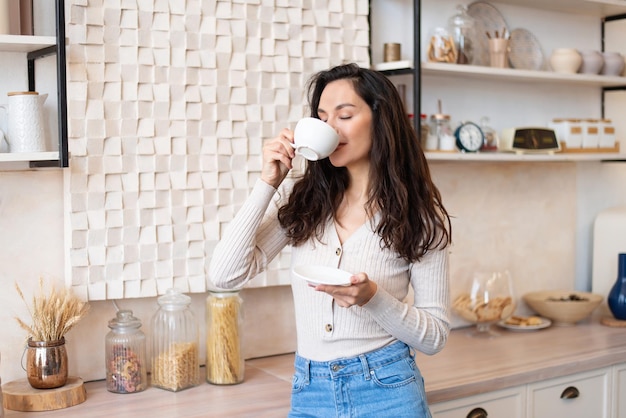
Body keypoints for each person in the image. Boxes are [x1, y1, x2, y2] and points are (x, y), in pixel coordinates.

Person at [209, 63, 452, 417]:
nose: (330, 128)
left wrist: (373, 299)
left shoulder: (417, 214)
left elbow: (435, 336)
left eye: (345, 115)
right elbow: (224, 275)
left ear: (380, 119)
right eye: (323, 118)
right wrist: (268, 183)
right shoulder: (304, 201)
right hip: (310, 390)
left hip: (388, 390)